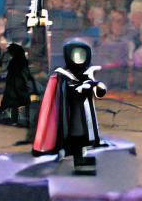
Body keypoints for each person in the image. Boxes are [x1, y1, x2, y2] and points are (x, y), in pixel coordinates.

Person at [33, 39, 107, 175]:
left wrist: (96, 86)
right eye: (75, 55)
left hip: (85, 112)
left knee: (84, 135)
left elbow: (98, 91)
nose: (79, 58)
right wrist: (82, 88)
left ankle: (80, 158)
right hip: (69, 113)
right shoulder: (62, 75)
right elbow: (67, 91)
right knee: (75, 135)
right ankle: (75, 160)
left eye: (82, 55)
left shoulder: (87, 73)